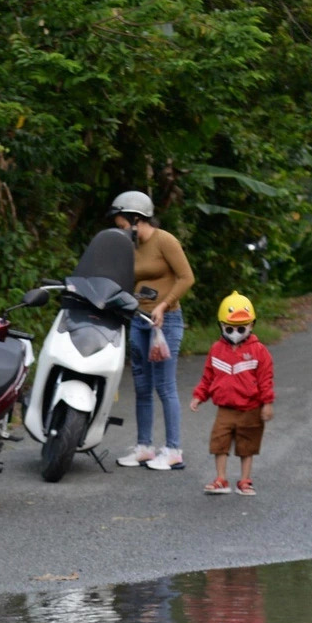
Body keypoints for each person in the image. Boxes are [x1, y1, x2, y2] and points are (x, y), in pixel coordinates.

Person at [107, 191, 194, 472]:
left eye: (122, 225)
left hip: (165, 321)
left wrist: (164, 305)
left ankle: (173, 450)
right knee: (142, 386)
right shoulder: (130, 247)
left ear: (136, 220)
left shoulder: (165, 241)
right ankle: (145, 447)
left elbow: (186, 277)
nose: (120, 231)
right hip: (139, 320)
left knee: (164, 385)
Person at [190, 291, 274, 496]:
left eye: (241, 328)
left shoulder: (259, 351)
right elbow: (208, 377)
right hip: (225, 409)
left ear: (252, 325)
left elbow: (266, 378)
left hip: (251, 408)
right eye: (230, 327)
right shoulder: (216, 350)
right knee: (219, 443)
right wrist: (199, 396)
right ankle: (221, 479)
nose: (235, 331)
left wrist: (267, 403)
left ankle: (245, 480)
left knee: (247, 446)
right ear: (221, 325)